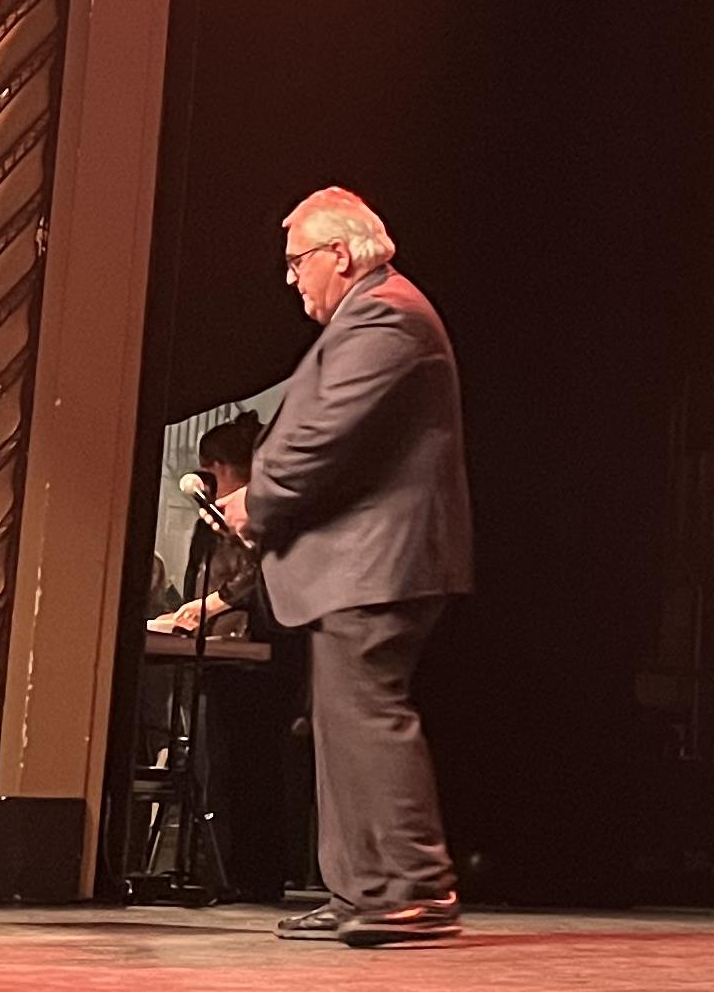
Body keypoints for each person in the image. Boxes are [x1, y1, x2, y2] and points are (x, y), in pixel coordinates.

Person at [216, 188, 473, 947]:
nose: (292, 278)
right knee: (342, 722)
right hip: (356, 565)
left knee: (368, 715)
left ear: (340, 252)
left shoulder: (386, 313)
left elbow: (326, 433)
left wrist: (257, 500)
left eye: (298, 261)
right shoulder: (374, 314)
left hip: (380, 561)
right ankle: (363, 887)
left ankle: (415, 888)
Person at [152, 416, 259, 640]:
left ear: (220, 468)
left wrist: (209, 606)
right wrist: (184, 615)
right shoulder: (207, 526)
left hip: (245, 639)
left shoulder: (260, 521)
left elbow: (258, 573)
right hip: (207, 638)